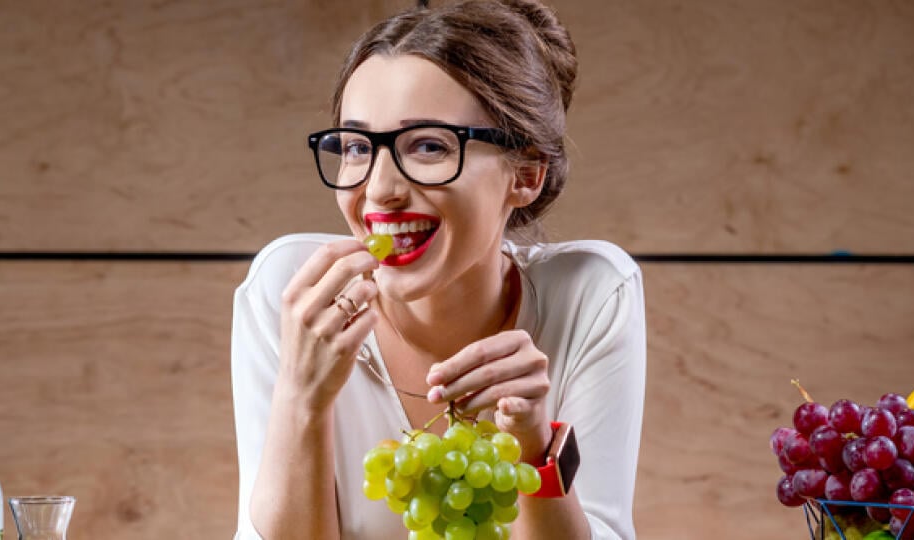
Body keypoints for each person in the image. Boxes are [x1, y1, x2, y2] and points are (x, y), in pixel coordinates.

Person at [231, 0, 646, 538]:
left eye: (428, 146)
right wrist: (301, 399)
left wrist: (533, 447)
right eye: (358, 147)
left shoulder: (593, 295)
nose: (378, 189)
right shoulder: (293, 290)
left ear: (526, 173)